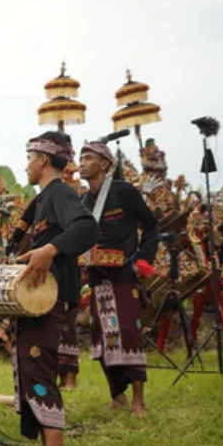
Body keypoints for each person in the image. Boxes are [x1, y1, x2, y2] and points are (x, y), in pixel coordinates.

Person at [14, 131, 98, 446]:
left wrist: (49, 250)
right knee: (32, 368)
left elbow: (86, 228)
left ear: (44, 159)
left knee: (40, 370)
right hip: (36, 299)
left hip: (51, 298)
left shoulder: (61, 193)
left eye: (30, 157)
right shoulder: (42, 200)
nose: (27, 165)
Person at [78, 140, 161, 418]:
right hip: (97, 279)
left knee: (128, 335)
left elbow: (151, 225)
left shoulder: (124, 192)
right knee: (102, 340)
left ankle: (139, 401)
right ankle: (118, 396)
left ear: (104, 163)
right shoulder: (83, 201)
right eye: (81, 157)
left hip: (124, 275)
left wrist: (143, 259)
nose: (82, 162)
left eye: (89, 157)